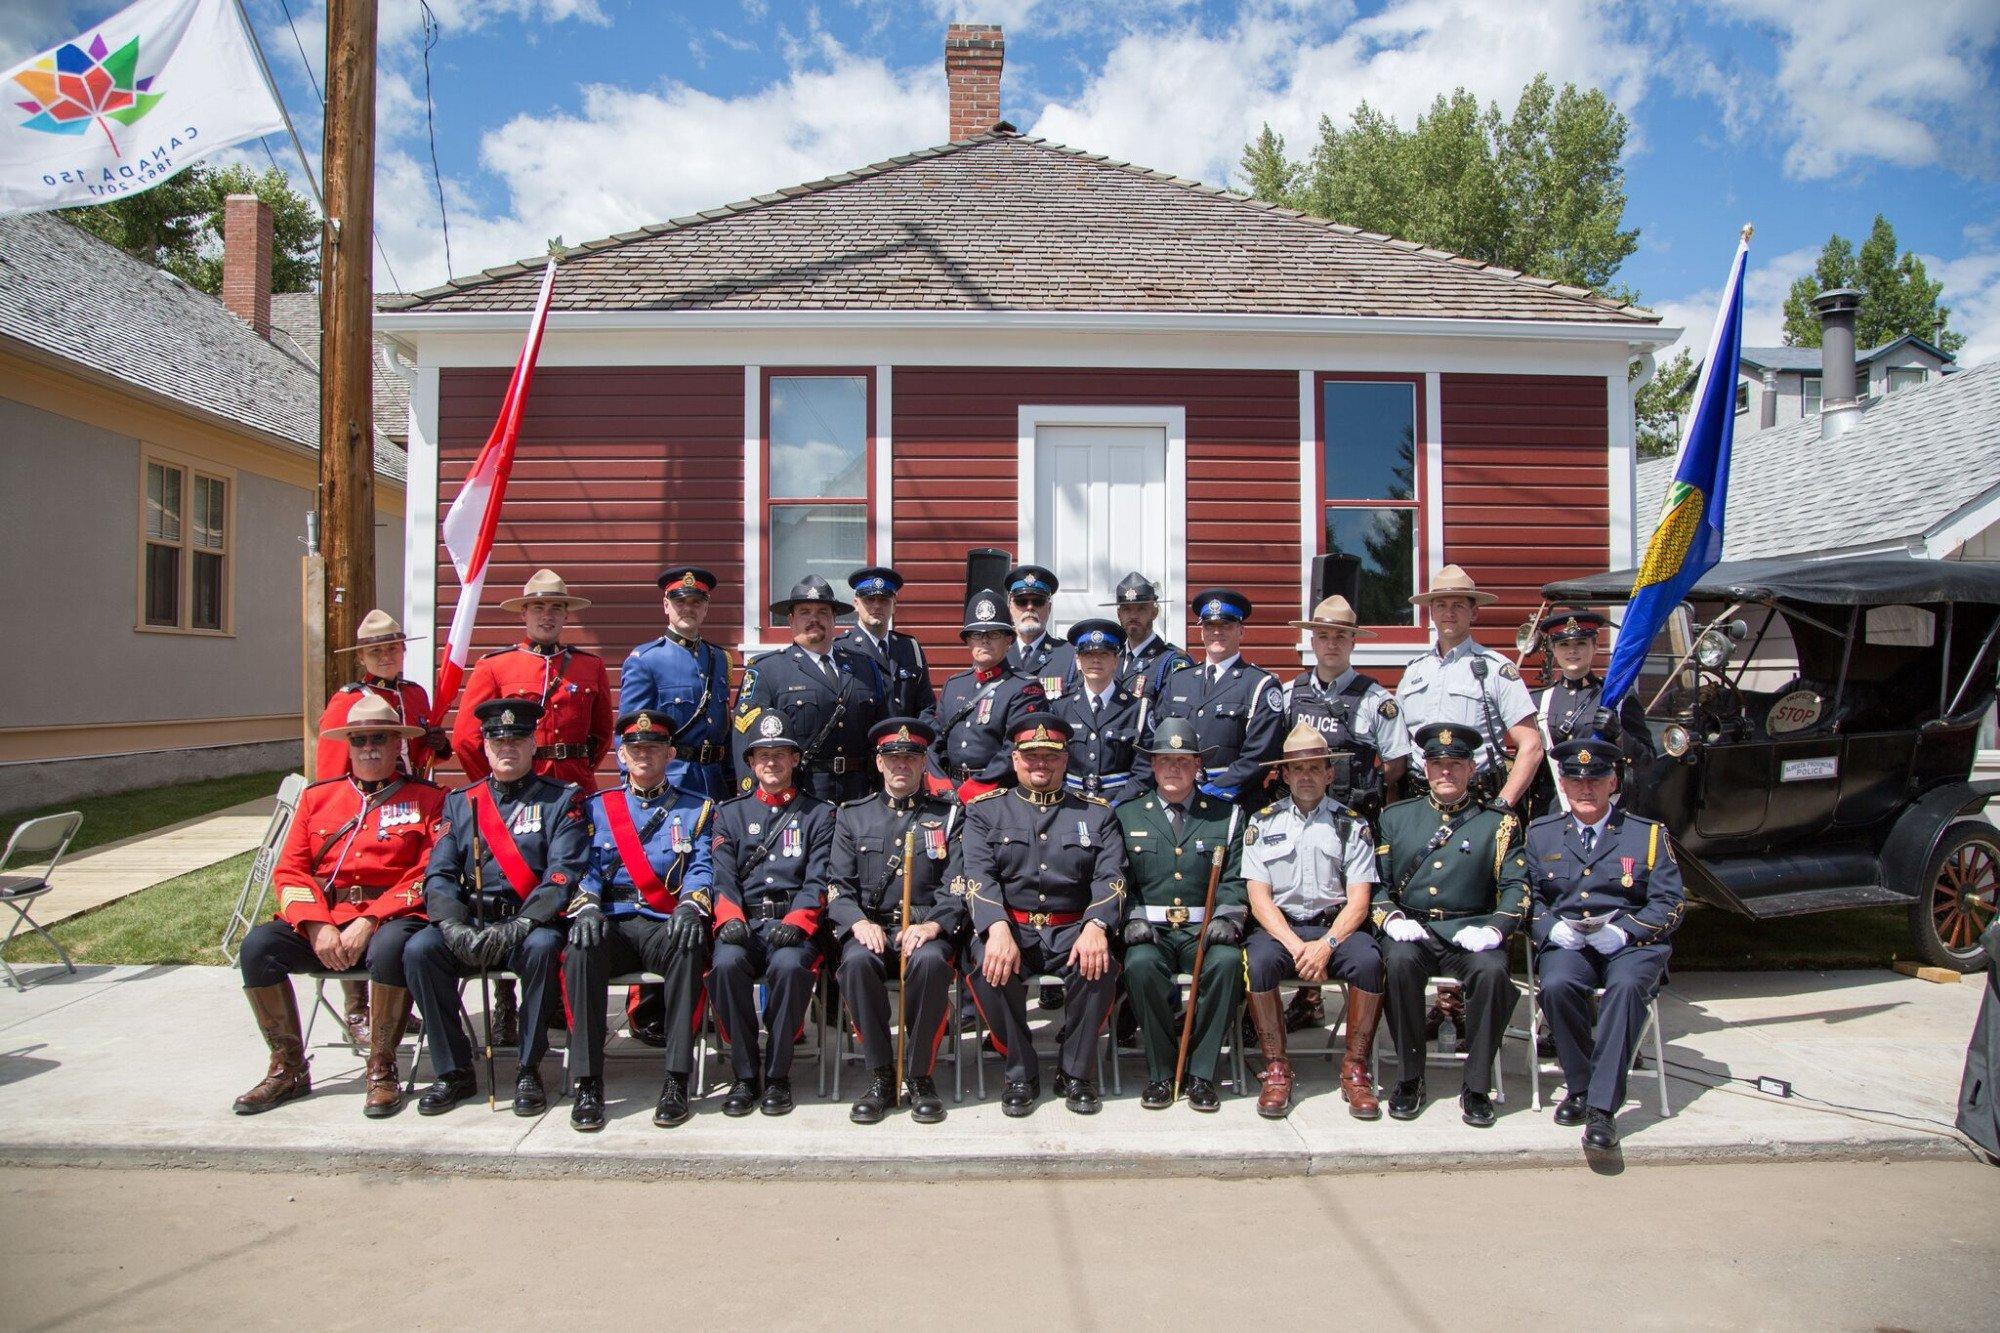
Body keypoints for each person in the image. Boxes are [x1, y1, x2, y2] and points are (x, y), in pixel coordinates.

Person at [232, 695, 445, 1119]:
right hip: (325, 924)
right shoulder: (318, 798)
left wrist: (370, 918)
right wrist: (316, 925)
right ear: (348, 745)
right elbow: (290, 871)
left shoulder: (427, 799)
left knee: (392, 949)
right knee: (257, 947)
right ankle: (288, 1068)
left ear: (397, 744)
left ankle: (382, 1068)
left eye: (379, 738)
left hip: (389, 921)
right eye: (359, 739)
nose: (369, 747)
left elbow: (429, 872)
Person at [449, 568, 611, 1046]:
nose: (548, 615)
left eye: (556, 607)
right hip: (513, 794)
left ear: (567, 614)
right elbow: (466, 738)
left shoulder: (588, 667)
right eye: (538, 607)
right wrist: (502, 780)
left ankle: (561, 995)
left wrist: (569, 770)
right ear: (524, 614)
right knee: (515, 886)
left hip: (571, 787)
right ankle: (506, 1000)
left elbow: (600, 734)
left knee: (568, 883)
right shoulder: (495, 667)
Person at [407, 697, 590, 1117]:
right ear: (485, 747)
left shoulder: (561, 800)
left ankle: (529, 1067)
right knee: (421, 951)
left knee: (545, 950)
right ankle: (453, 1070)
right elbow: (438, 874)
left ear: (532, 745)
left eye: (517, 739)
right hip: (473, 923)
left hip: (529, 923)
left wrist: (525, 922)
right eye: (497, 740)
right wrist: (452, 925)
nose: (507, 748)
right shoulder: (460, 802)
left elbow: (563, 873)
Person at [959, 717, 1125, 1117]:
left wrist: (1096, 925)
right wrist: (995, 927)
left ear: (1065, 760)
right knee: (987, 970)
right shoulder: (986, 812)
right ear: (1015, 760)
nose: (1041, 764)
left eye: (1050, 756)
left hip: (1072, 926)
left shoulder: (1096, 814)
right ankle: (1021, 1070)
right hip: (1011, 925)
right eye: (1031, 756)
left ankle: (1076, 1071)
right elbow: (978, 875)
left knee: (1100, 967)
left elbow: (1112, 876)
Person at [561, 709, 716, 1132]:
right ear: (622, 756)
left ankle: (676, 1079)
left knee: (690, 946)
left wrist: (690, 904)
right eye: (635, 748)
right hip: (610, 918)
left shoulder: (696, 809)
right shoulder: (596, 808)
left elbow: (702, 866)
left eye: (653, 748)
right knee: (579, 950)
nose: (644, 755)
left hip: (663, 919)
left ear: (670, 754)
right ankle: (589, 1081)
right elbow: (584, 866)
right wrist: (588, 904)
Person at [1528, 737, 1686, 1150]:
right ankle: (1579, 1086)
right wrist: (1547, 928)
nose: (1586, 790)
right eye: (1576, 781)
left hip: (1629, 944)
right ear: (1562, 783)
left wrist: (1625, 931)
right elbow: (1528, 899)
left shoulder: (1647, 835)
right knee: (1558, 985)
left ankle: (1601, 1110)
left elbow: (1670, 902)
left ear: (1613, 781)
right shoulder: (1541, 835)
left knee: (1627, 987)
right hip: (1570, 943)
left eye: (1596, 780)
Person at [1374, 723, 1529, 1128]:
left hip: (1471, 930)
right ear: (1425, 769)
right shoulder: (1396, 817)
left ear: (1471, 769)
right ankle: (1410, 1079)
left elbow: (1516, 886)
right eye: (1438, 764)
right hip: (1415, 929)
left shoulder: (1497, 823)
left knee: (1494, 972)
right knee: (1399, 963)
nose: (1446, 772)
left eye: (1455, 765)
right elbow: (1375, 883)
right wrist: (1390, 917)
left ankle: (1476, 1087)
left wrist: (1496, 928)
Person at [314, 607, 449, 1050]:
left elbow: (421, 756)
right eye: (376, 650)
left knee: (404, 898)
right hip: (364, 812)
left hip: (410, 806)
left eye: (392, 647)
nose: (386, 655)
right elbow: (334, 772)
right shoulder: (347, 701)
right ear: (363, 657)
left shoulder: (414, 695)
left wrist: (437, 746)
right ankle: (357, 1009)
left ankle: (396, 1005)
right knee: (358, 894)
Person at [1240, 721, 1385, 1120]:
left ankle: (1355, 1069)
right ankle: (1276, 1069)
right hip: (1281, 929)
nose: (1306, 777)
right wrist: (1294, 945)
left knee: (1370, 961)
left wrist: (1327, 945)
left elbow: (1360, 900)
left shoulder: (1352, 824)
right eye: (1297, 769)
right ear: (1283, 774)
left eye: (1315, 768)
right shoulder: (1262, 823)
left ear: (1329, 773)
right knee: (1259, 961)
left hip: (1335, 928)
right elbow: (1258, 897)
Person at [825, 718, 966, 1125]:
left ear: (924, 764)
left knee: (932, 962)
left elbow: (958, 883)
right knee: (855, 963)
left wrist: (932, 926)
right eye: (894, 758)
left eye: (911, 757)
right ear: (879, 763)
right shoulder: (853, 817)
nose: (901, 765)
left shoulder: (949, 817)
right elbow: (837, 884)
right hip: (871, 929)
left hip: (924, 929)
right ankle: (881, 1076)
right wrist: (856, 924)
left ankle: (920, 1074)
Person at [1115, 718, 1247, 1112]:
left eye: (1184, 761)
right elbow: (1117, 878)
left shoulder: (1227, 816)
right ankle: (1161, 1072)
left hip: (1203, 928)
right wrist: (1130, 918)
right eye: (1165, 760)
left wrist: (1228, 917)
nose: (1174, 768)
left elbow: (1237, 876)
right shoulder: (1127, 815)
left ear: (1197, 767)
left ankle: (1202, 1073)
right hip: (1149, 930)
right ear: (1153, 766)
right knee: (1139, 967)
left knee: (1225, 964)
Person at [708, 712, 835, 1117]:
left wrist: (798, 921)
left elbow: (820, 877)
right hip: (745, 925)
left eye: (781, 754)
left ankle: (778, 1075)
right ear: (750, 764)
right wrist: (729, 918)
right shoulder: (730, 814)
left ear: (795, 760)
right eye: (763, 756)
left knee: (791, 968)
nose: (772, 763)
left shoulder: (819, 814)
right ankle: (745, 1075)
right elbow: (722, 876)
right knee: (725, 965)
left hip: (793, 927)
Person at [1394, 565, 1541, 812]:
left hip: (1478, 803)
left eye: (1458, 605)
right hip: (1418, 800)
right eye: (1441, 605)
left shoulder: (1495, 669)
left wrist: (1502, 805)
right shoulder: (1413, 672)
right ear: (1431, 612)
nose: (1448, 613)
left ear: (1474, 612)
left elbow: (1531, 745)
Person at [732, 575, 889, 803]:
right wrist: (753, 802)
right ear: (791, 619)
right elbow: (746, 742)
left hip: (860, 798)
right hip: (801, 801)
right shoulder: (767, 671)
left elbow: (881, 733)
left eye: (823, 612)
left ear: (834, 619)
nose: (814, 619)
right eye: (805, 612)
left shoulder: (864, 667)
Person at [1283, 595, 1411, 823]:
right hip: (1295, 817)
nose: (1331, 644)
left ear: (1353, 642)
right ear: (1312, 642)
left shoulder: (1377, 701)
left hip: (1353, 820)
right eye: (1323, 636)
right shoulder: (1289, 694)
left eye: (1340, 636)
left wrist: (1366, 788)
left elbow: (1396, 764)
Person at [1152, 588, 1286, 804]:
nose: (1217, 632)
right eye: (1210, 626)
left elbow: (1261, 754)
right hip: (1178, 797)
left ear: (1241, 631)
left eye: (1226, 625)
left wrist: (1216, 789)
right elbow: (1158, 738)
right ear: (1201, 631)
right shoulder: (1179, 681)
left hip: (1235, 799)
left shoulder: (1260, 684)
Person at [1526, 607, 1655, 819]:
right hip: (1555, 811)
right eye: (1564, 644)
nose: (1572, 651)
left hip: (1609, 811)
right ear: (1554, 650)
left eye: (1581, 643)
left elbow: (1647, 759)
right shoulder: (1539, 701)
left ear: (1595, 646)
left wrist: (1620, 735)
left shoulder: (1619, 696)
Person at [619, 565, 734, 801]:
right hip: (672, 781)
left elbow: (725, 726)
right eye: (680, 602)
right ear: (666, 606)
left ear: (705, 608)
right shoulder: (646, 660)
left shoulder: (720, 659)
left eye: (696, 602)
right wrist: (633, 786)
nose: (688, 609)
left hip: (716, 781)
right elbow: (628, 730)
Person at [924, 591, 1048, 802]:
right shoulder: (955, 684)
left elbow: (1017, 747)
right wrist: (937, 777)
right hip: (951, 792)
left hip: (999, 793)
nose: (984, 641)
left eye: (993, 635)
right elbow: (935, 738)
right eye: (977, 635)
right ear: (968, 642)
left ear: (1009, 639)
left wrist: (979, 784)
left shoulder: (1025, 688)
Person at [1049, 618, 1149, 805]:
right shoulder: (1061, 709)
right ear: (1078, 661)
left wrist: (1115, 805)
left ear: (1115, 661)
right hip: (1070, 805)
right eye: (1088, 654)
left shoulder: (1137, 710)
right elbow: (1053, 763)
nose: (1095, 660)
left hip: (1120, 807)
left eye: (1104, 654)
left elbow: (1144, 771)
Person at [840, 566, 938, 720]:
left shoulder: (910, 647)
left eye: (884, 600)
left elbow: (926, 706)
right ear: (856, 604)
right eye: (869, 599)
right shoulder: (841, 649)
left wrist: (916, 740)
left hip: (907, 741)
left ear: (894, 605)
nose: (877, 605)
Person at [1104, 572, 1193, 702]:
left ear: (1154, 613)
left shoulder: (1172, 661)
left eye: (1141, 609)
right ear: (1119, 615)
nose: (1133, 616)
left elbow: (1173, 714)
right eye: (1126, 609)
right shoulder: (1112, 658)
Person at [1001, 563, 1075, 696]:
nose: (1030, 607)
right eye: (1021, 601)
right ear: (1010, 608)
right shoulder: (997, 653)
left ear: (1049, 609)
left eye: (1038, 601)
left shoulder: (1069, 655)